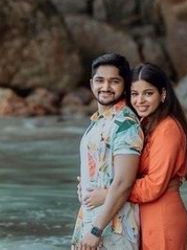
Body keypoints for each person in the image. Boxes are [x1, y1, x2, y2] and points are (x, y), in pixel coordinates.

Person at [84, 63, 187, 250]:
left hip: (162, 216)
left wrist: (108, 194)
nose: (140, 100)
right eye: (135, 94)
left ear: (163, 94)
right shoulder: (145, 123)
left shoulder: (168, 129)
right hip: (143, 213)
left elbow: (154, 186)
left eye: (148, 93)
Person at [72, 53, 144, 250]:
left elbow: (123, 183)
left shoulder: (125, 124)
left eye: (114, 81)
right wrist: (85, 186)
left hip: (113, 227)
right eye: (100, 80)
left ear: (125, 85)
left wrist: (96, 230)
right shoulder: (99, 121)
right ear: (91, 83)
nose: (105, 87)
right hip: (90, 219)